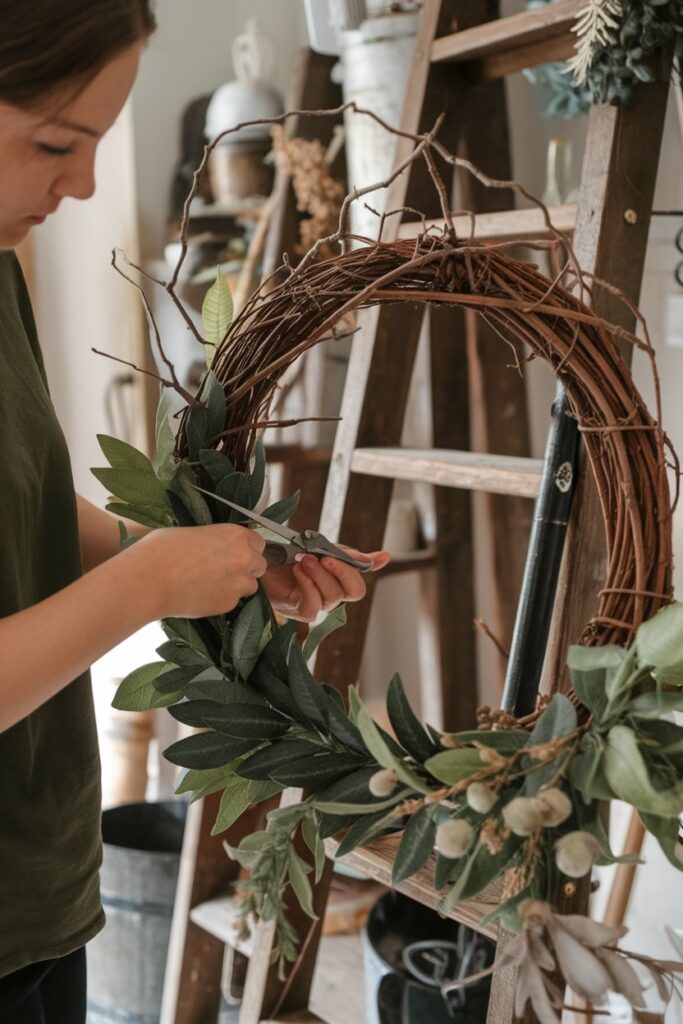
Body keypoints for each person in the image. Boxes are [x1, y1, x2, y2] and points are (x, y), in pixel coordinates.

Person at [0, 3, 389, 1020]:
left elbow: (23, 506)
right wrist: (150, 581)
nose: (83, 184)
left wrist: (194, 554)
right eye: (55, 143)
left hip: (37, 890)